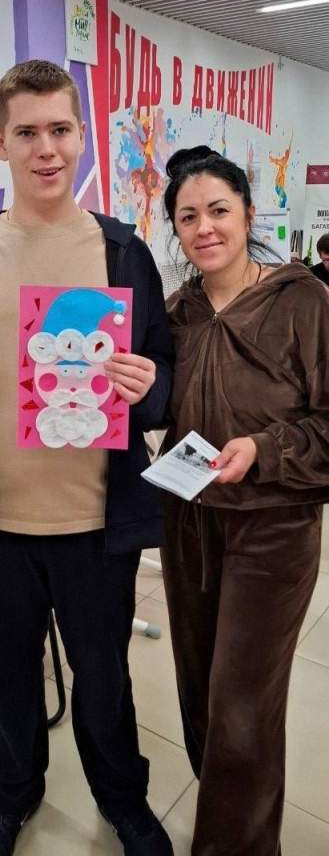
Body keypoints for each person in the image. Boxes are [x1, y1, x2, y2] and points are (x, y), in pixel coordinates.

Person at [0, 60, 174, 856]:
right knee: (9, 673)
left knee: (104, 680)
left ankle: (123, 802)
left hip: (94, 522)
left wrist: (148, 385)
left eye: (59, 130)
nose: (45, 149)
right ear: (0, 140)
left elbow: (162, 372)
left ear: (82, 137)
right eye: (27, 133)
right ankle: (11, 797)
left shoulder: (121, 253)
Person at [159, 145, 329, 856]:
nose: (205, 228)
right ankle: (241, 829)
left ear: (248, 214)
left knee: (241, 709)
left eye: (218, 210)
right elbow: (157, 405)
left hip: (272, 530)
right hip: (190, 525)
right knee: (202, 697)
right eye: (187, 217)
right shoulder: (178, 312)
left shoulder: (303, 302)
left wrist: (264, 447)